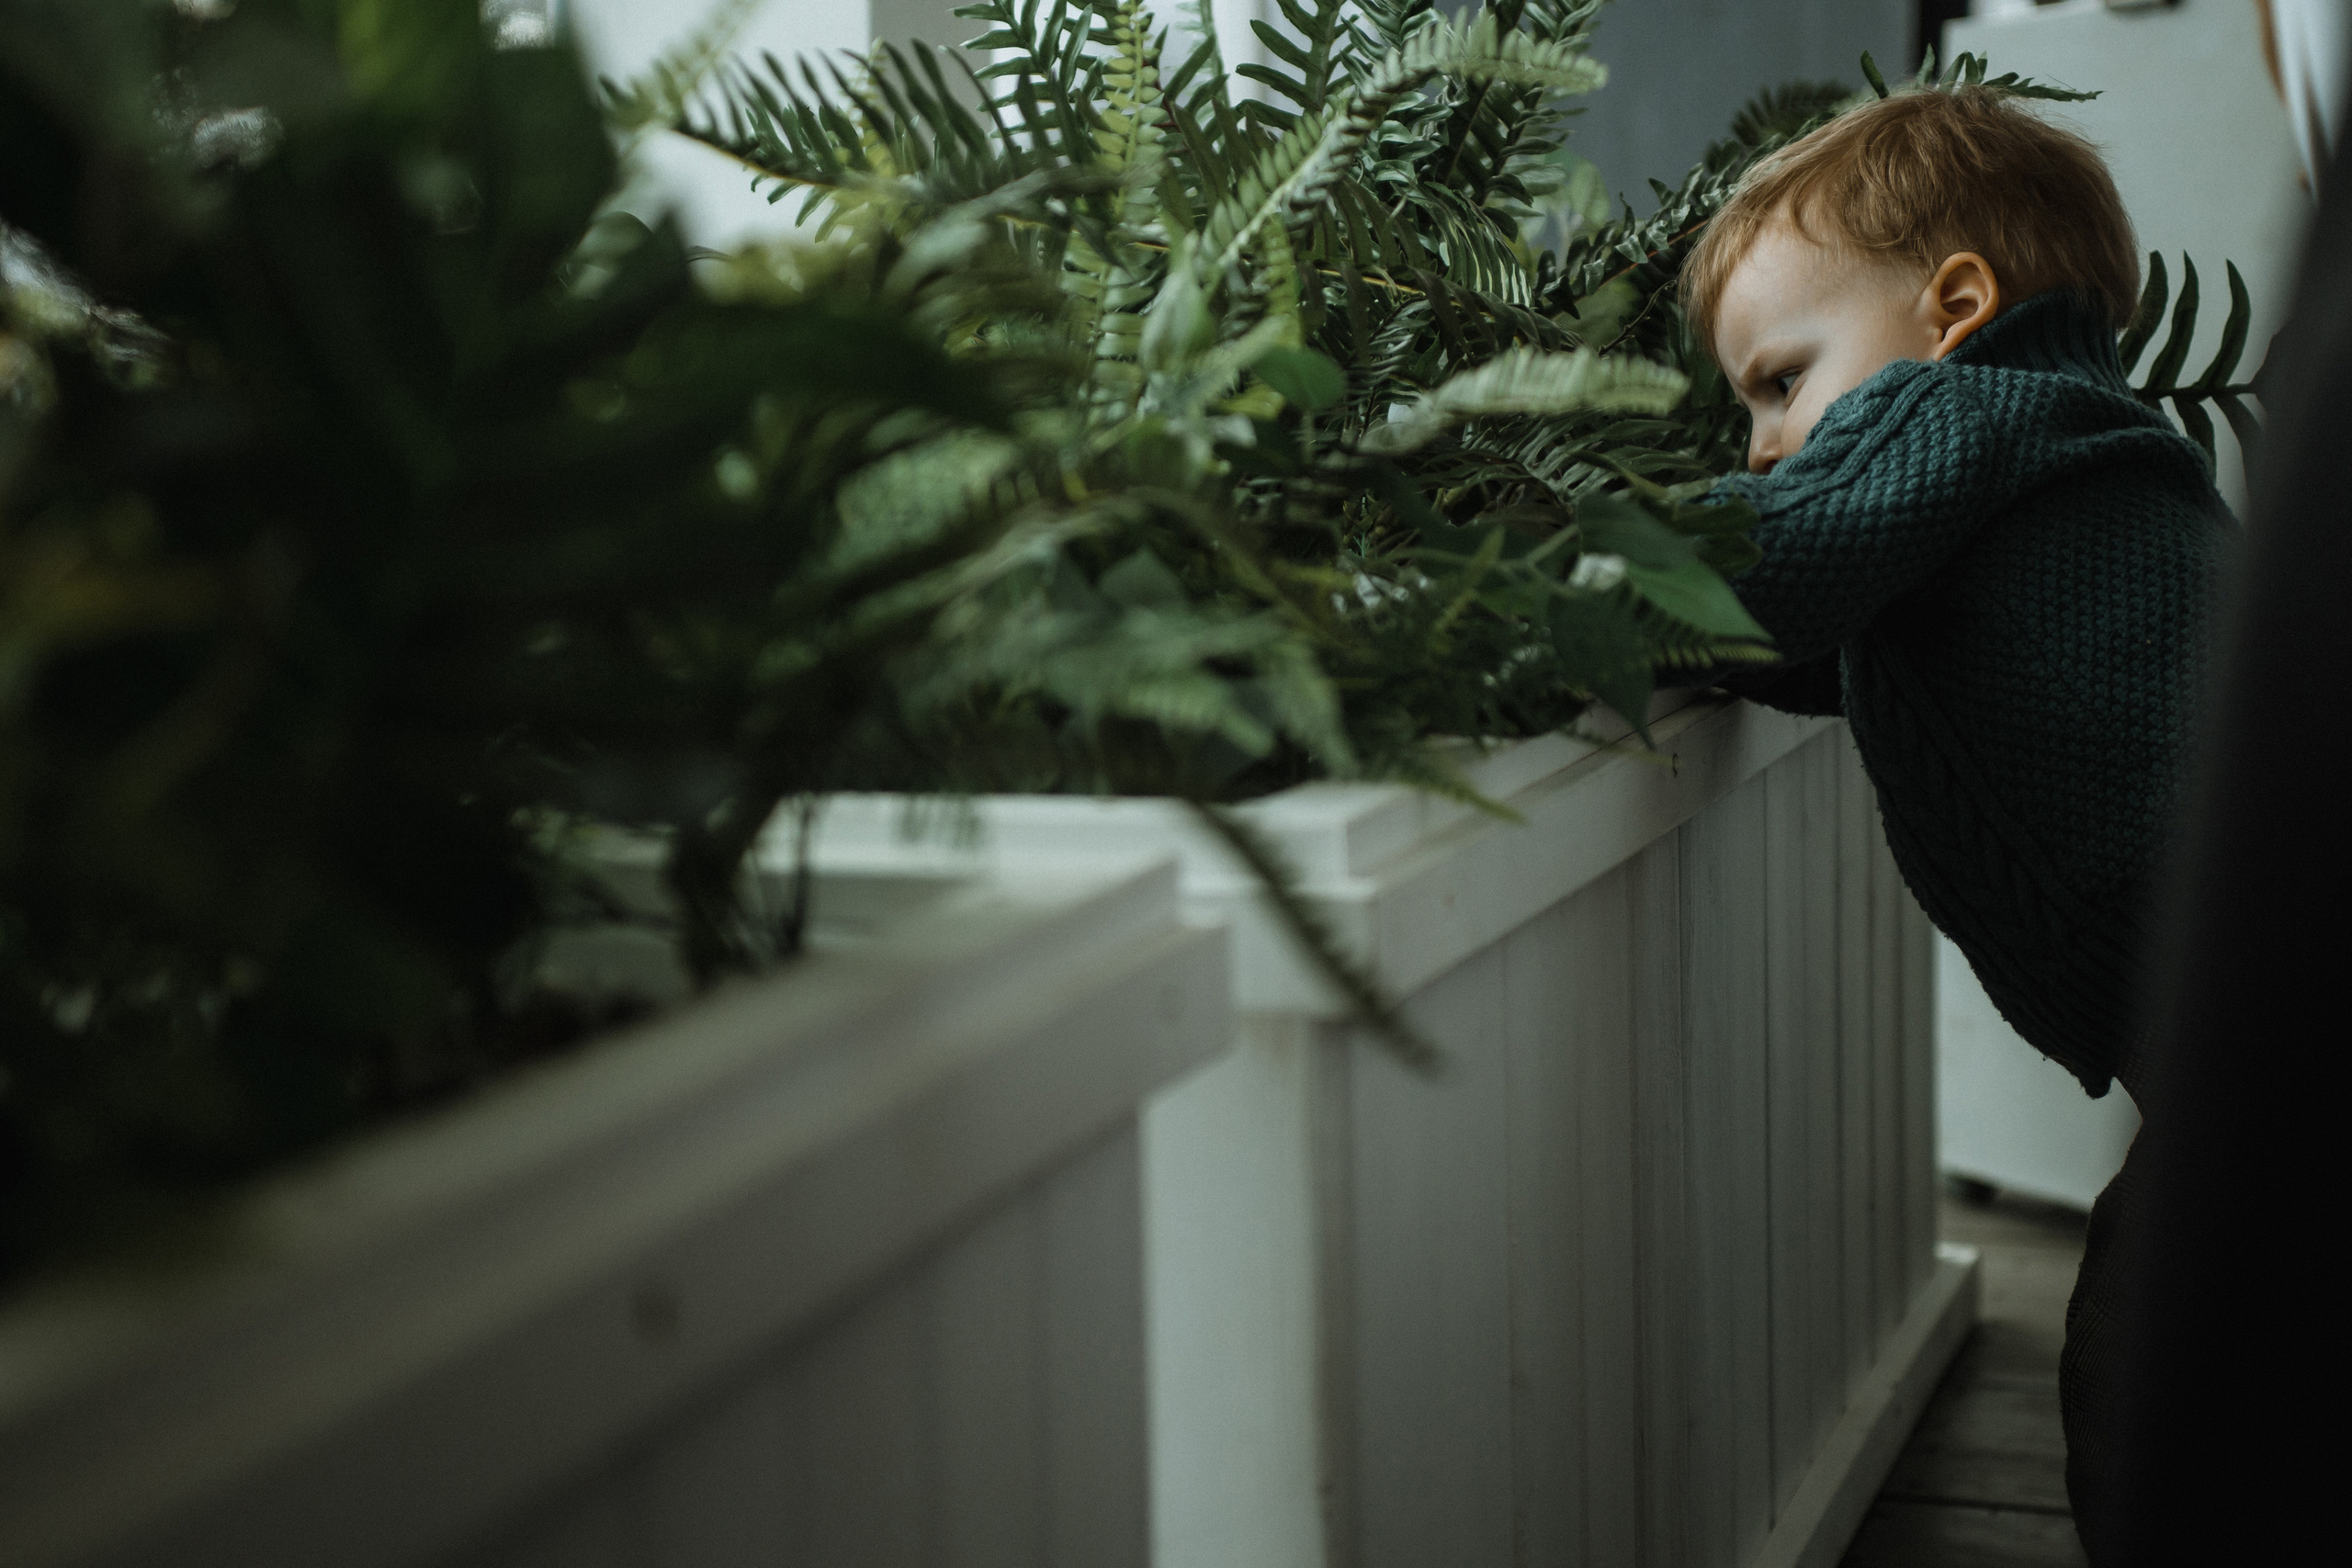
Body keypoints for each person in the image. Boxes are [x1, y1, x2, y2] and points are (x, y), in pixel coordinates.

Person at [1672, 84, 2232, 1557]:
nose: (1762, 447)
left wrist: (1520, 582)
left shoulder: (1960, 410)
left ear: (1955, 307)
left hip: (2267, 992)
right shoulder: (2057, 456)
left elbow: (1744, 586)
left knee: (2158, 1358)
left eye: (1782, 381)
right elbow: (1814, 651)